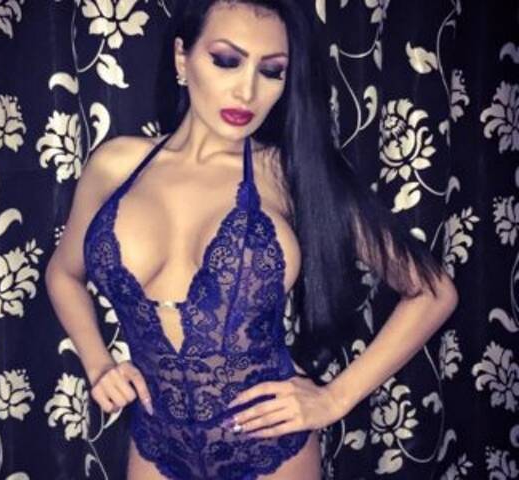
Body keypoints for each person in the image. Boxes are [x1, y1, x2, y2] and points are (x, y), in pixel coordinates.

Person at [44, 1, 459, 479]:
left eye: (271, 71)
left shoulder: (290, 173)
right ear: (182, 58)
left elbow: (433, 292)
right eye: (226, 60)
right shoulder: (115, 166)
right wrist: (98, 364)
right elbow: (63, 273)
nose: (247, 91)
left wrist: (334, 399)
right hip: (155, 448)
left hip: (271, 454)